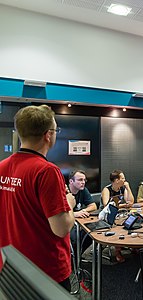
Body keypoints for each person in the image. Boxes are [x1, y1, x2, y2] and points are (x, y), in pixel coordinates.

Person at [0, 105, 75, 291]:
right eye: (56, 129)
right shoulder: (47, 171)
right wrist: (70, 203)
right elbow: (61, 228)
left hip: (11, 266)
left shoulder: (1, 167)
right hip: (45, 271)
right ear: (48, 135)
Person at [101, 169, 135, 262]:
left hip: (120, 214)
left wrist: (128, 188)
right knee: (117, 228)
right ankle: (117, 251)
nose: (125, 180)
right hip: (108, 216)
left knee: (133, 221)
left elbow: (131, 202)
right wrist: (124, 205)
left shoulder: (122, 188)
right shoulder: (107, 190)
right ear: (117, 180)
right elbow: (107, 205)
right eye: (123, 178)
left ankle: (134, 247)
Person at [68, 170, 97, 257]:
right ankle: (72, 260)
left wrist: (83, 211)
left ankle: (77, 256)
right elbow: (59, 214)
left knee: (90, 233)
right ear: (71, 181)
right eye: (80, 180)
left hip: (79, 221)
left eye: (84, 180)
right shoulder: (64, 192)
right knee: (75, 238)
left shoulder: (83, 190)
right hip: (67, 223)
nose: (83, 182)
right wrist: (75, 214)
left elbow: (93, 206)